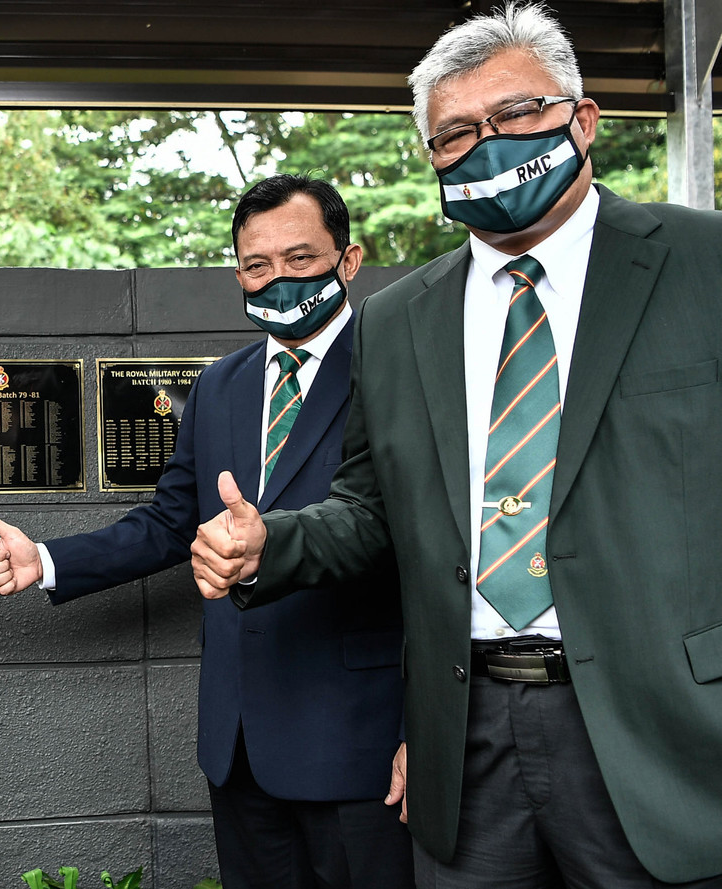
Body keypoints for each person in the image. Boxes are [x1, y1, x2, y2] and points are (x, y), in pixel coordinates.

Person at [190, 4, 722, 887]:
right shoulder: (398, 320)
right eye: (456, 132)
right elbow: (370, 508)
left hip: (665, 731)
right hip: (466, 737)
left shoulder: (703, 264)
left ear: (583, 119)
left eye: (517, 113)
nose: (489, 143)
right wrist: (268, 545)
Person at [0, 174, 412, 889]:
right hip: (239, 745)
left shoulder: (400, 371)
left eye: (300, 258)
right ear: (237, 275)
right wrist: (47, 560)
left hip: (361, 746)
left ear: (349, 259)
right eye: (256, 265)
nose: (278, 279)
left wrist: (420, 731)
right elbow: (168, 521)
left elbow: (430, 547)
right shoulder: (221, 384)